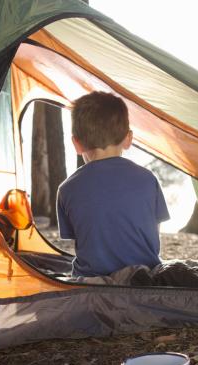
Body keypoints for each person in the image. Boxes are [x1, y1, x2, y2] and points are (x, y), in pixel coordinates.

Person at [56, 91, 170, 277]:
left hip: (91, 283)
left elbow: (83, 240)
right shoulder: (148, 179)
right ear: (128, 138)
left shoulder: (67, 189)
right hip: (145, 279)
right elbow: (153, 238)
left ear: (76, 144)